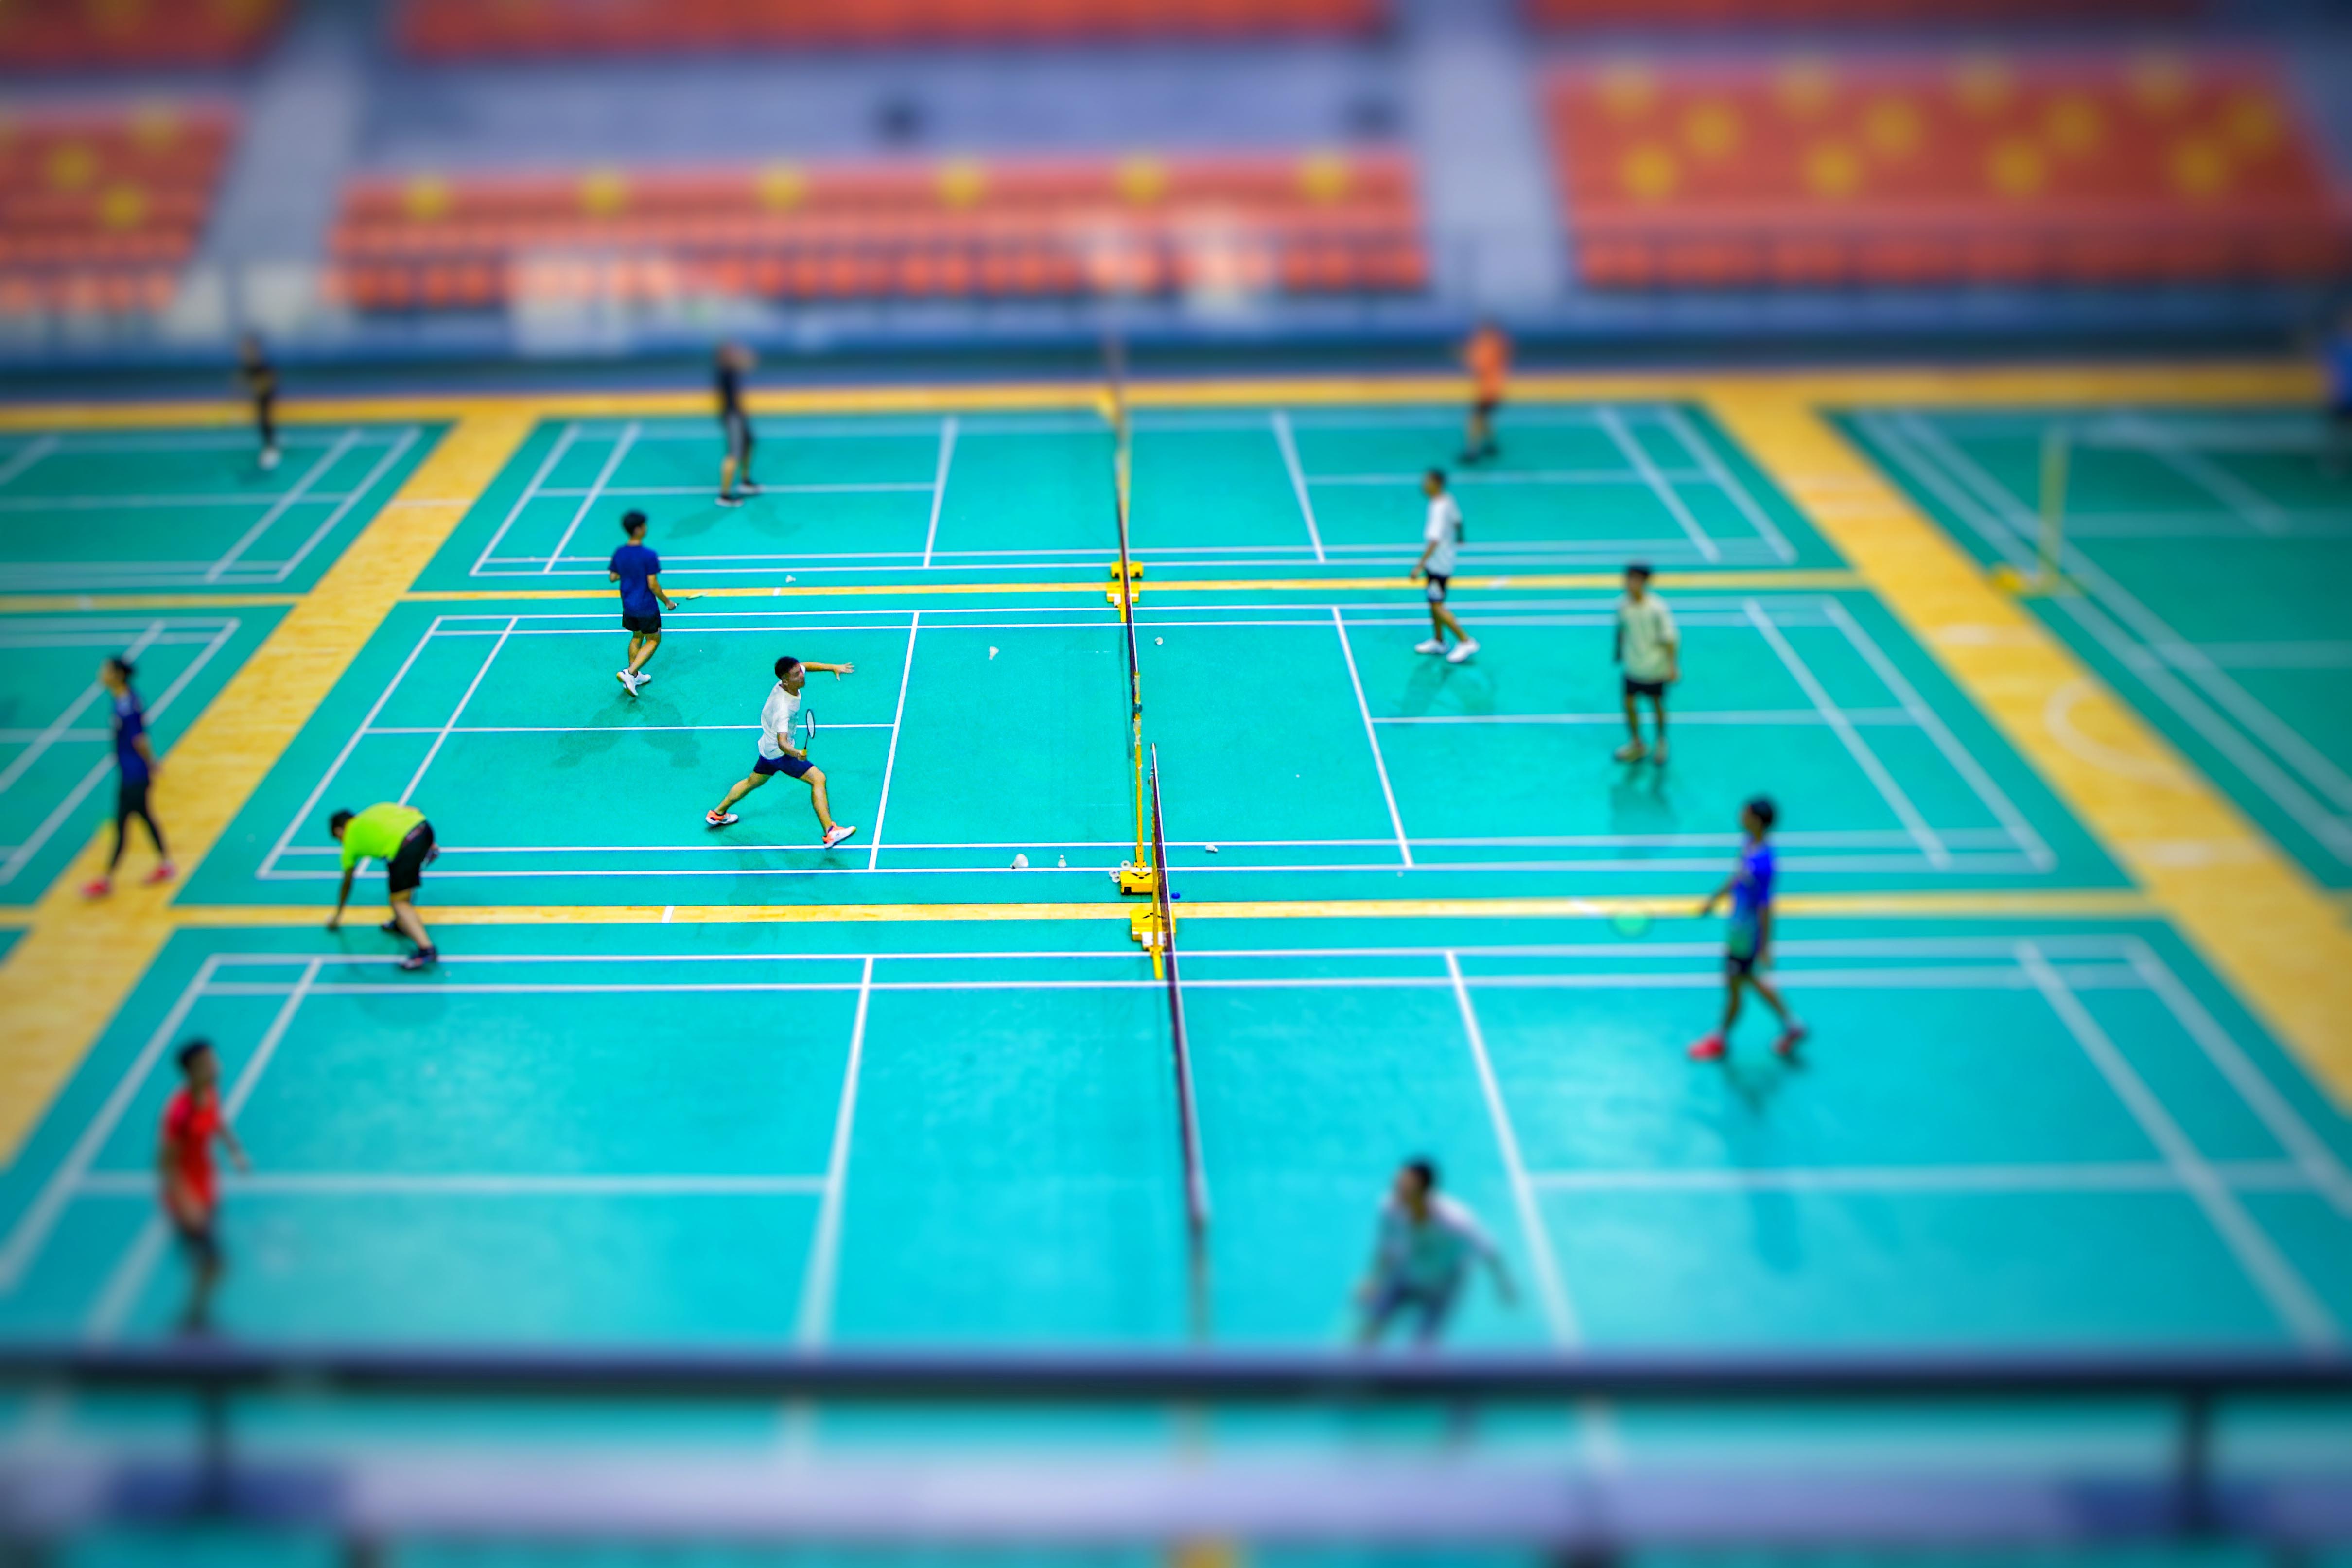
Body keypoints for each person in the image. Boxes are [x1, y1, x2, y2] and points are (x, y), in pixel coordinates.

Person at [1688, 795, 1806, 1062]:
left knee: (1734, 985)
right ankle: (1793, 1026)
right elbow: (1738, 877)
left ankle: (1720, 1040)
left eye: (1746, 812)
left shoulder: (1764, 863)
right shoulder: (1749, 844)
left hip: (1746, 935)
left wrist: (1765, 947)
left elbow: (1765, 908)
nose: (1741, 814)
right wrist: (1714, 900)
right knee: (1750, 979)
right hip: (1738, 928)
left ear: (1757, 820)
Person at [1356, 1158, 1515, 1347]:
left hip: (1444, 1285)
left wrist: (1504, 1285)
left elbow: (1490, 1251)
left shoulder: (1456, 1221)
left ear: (1424, 1191)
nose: (1396, 1191)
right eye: (1396, 1185)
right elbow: (1385, 1247)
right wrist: (1372, 1280)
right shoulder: (1390, 1208)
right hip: (1405, 1273)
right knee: (1367, 1332)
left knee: (1423, 1348)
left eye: (1403, 1187)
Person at [705, 654, 859, 846]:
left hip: (767, 749)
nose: (802, 675)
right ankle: (830, 831)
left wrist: (832, 667)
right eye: (797, 675)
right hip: (780, 753)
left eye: (800, 672)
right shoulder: (783, 709)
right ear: (785, 681)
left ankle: (717, 814)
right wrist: (797, 753)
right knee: (818, 779)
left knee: (752, 781)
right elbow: (782, 743)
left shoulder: (787, 681)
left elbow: (806, 666)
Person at [159, 1039, 249, 1334]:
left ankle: (197, 1318)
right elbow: (167, 1165)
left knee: (212, 1264)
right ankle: (191, 1322)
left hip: (206, 1187)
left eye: (214, 1061)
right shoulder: (180, 1113)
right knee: (213, 1264)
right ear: (191, 1071)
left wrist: (235, 1152)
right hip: (188, 1197)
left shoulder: (209, 1093)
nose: (216, 1067)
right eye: (207, 1064)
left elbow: (218, 1122)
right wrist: (187, 1206)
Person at [81, 655, 174, 897]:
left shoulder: (126, 706)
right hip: (132, 774)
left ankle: (106, 880)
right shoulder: (126, 698)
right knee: (144, 817)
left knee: (123, 825)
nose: (102, 674)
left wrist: (151, 763)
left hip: (134, 776)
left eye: (106, 670)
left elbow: (139, 739)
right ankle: (166, 865)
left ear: (118, 675)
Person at [326, 801, 439, 971]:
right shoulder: (376, 809)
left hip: (405, 847)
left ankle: (426, 950)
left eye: (338, 839)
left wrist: (338, 915)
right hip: (425, 830)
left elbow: (347, 883)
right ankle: (401, 923)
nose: (340, 842)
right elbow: (415, 810)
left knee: (399, 902)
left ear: (339, 831)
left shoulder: (350, 841)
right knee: (399, 879)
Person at [1409, 469, 1479, 665]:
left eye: (1427, 482)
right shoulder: (1449, 500)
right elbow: (1458, 521)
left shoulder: (1438, 508)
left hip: (1438, 565)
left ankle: (1466, 641)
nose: (1424, 485)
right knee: (1433, 602)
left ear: (1437, 484)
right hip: (1445, 561)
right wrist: (1460, 538)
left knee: (1438, 606)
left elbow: (1434, 540)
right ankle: (1439, 642)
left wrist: (1419, 566)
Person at [1613, 561, 1679, 764]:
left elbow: (1670, 638)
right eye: (1629, 579)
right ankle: (1637, 743)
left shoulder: (1657, 608)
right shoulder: (1622, 605)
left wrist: (1673, 666)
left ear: (1644, 582)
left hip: (1654, 667)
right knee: (1629, 704)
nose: (1630, 583)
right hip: (1633, 666)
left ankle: (1661, 742)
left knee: (1657, 705)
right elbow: (1621, 630)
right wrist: (1618, 652)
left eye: (1635, 580)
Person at [609, 509, 678, 696]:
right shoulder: (648, 555)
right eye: (644, 525)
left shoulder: (620, 553)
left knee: (637, 636)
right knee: (654, 639)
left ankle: (635, 677)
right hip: (645, 605)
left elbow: (613, 577)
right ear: (638, 529)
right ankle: (630, 673)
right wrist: (667, 602)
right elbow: (653, 584)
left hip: (628, 604)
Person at [715, 342, 760, 507]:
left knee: (750, 442)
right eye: (732, 353)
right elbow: (749, 363)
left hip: (738, 414)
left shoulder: (730, 370)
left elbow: (748, 364)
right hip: (732, 416)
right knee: (734, 454)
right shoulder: (726, 372)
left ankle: (745, 481)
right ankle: (724, 496)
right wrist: (746, 355)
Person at [1460, 319, 1509, 465]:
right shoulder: (1498, 343)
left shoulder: (1487, 346)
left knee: (1474, 420)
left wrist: (1466, 356)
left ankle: (1472, 452)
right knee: (1485, 418)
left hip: (1488, 390)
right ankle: (1491, 445)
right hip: (1495, 387)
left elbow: (1479, 367)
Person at [239, 332, 279, 472]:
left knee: (265, 420)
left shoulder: (262, 364)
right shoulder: (248, 365)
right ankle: (271, 445)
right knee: (262, 420)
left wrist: (258, 387)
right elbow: (241, 381)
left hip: (266, 396)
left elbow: (269, 381)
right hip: (259, 396)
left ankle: (271, 448)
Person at [2325, 307, 2352, 479]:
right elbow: (2332, 371)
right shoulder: (2336, 346)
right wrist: (2335, 392)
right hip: (2343, 398)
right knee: (2338, 434)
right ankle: (2335, 463)